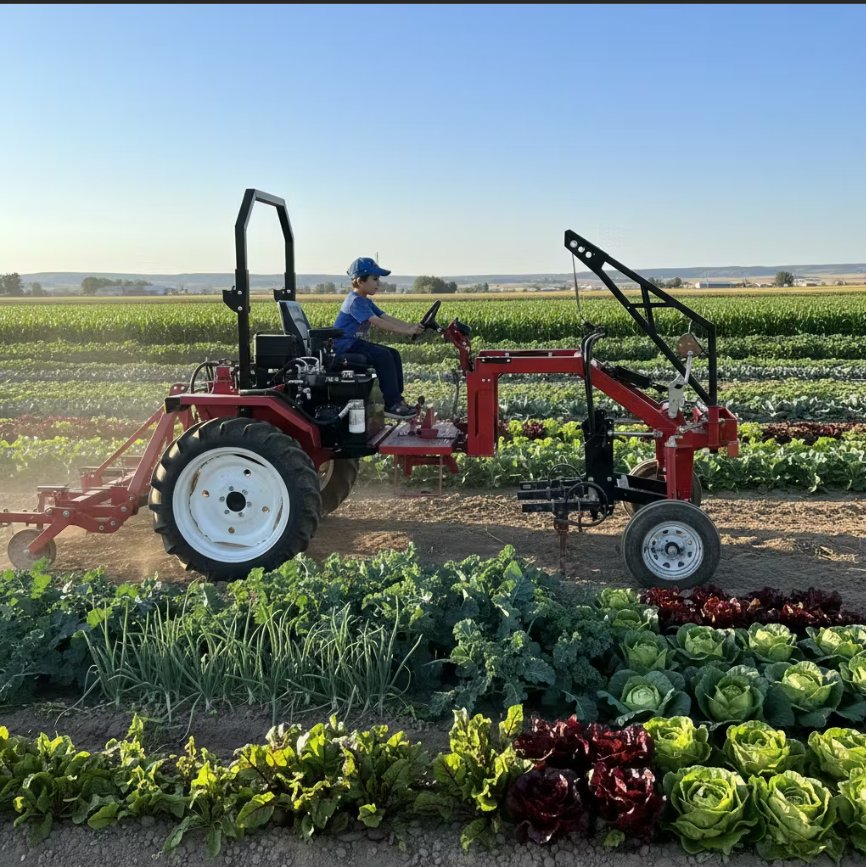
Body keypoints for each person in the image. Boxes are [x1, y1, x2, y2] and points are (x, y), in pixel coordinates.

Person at [333, 256, 424, 419]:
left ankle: (398, 401)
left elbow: (385, 317)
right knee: (383, 356)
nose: (378, 283)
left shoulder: (365, 301)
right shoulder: (355, 301)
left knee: (393, 354)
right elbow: (378, 322)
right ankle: (392, 404)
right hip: (345, 346)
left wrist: (410, 327)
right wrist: (406, 331)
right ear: (360, 281)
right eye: (374, 279)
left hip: (355, 344)